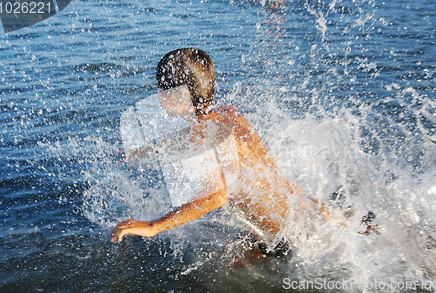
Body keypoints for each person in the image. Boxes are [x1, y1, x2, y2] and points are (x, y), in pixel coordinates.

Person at [110, 48, 325, 255]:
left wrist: (153, 226)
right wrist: (145, 151)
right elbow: (189, 137)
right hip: (303, 208)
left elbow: (217, 196)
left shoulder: (203, 134)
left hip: (282, 238)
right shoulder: (224, 114)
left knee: (214, 268)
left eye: (162, 90)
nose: (158, 96)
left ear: (180, 97)